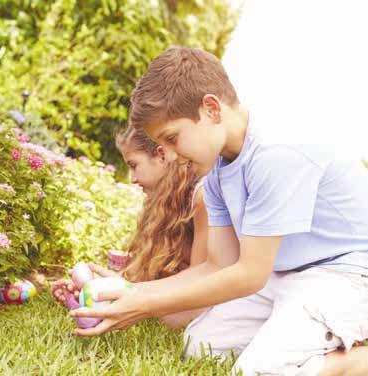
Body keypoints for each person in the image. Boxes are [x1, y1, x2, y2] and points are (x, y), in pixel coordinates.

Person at [71, 46, 368, 376]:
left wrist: (146, 305)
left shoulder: (275, 150)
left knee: (257, 371)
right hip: (288, 275)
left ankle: (350, 356)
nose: (168, 155)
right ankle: (312, 336)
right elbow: (218, 265)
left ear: (211, 109)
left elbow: (250, 274)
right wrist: (132, 291)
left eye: (172, 138)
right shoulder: (216, 169)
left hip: (348, 275)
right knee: (201, 346)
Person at [52, 126, 213, 328]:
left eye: (134, 165)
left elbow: (199, 294)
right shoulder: (167, 205)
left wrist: (134, 304)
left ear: (161, 156)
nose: (132, 179)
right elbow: (150, 284)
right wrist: (97, 291)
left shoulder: (202, 197)